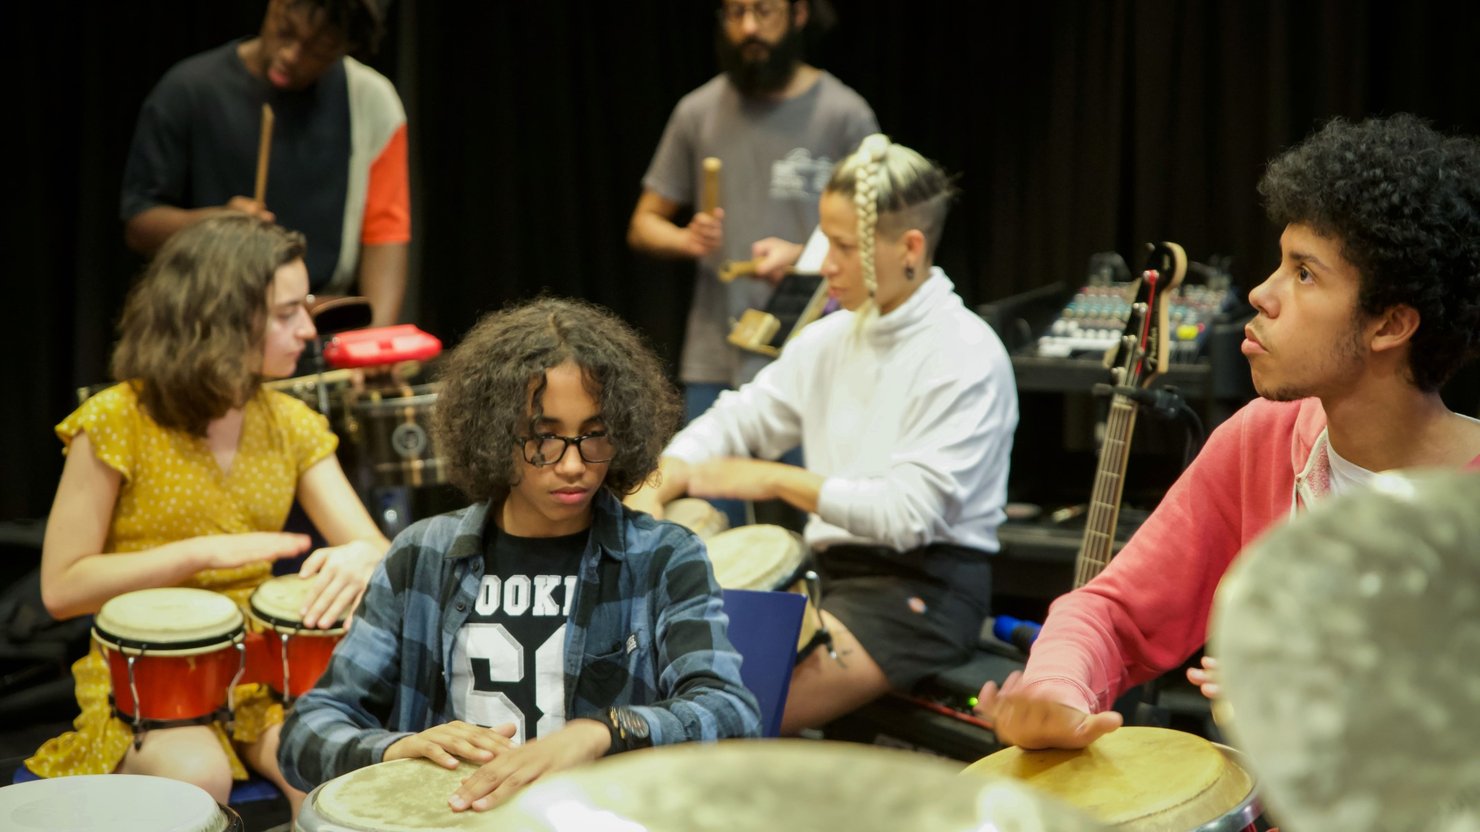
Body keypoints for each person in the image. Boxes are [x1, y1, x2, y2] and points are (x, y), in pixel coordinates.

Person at [977, 113, 1480, 751]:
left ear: (1389, 326)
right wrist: (1058, 688)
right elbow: (1110, 613)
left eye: (1305, 274)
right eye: (1280, 263)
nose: (1262, 294)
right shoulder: (1264, 440)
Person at [278, 298, 761, 812]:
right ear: (493, 435)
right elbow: (306, 734)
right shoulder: (422, 555)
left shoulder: (664, 556)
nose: (573, 465)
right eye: (543, 439)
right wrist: (395, 748)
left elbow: (731, 712)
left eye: (594, 436)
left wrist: (603, 732)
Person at [626, 134, 1019, 735]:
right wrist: (666, 474)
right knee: (655, 669)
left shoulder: (965, 353)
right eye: (821, 240)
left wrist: (772, 478)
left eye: (840, 245)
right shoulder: (830, 340)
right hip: (828, 573)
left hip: (921, 593)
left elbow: (908, 515)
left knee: (719, 716)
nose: (823, 264)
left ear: (910, 247)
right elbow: (740, 418)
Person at [25, 215, 391, 817]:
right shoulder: (118, 419)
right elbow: (61, 588)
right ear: (218, 317)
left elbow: (375, 547)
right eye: (285, 313)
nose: (308, 329)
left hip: (262, 668)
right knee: (197, 775)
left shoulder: (292, 423)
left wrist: (362, 555)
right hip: (151, 675)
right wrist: (199, 554)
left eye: (307, 308)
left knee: (326, 775)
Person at [628, 0, 878, 419]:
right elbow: (643, 223)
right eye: (734, 13)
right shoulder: (697, 112)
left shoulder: (844, 114)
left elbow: (877, 233)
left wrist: (802, 257)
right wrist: (685, 239)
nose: (748, 28)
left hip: (814, 353)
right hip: (715, 359)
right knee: (703, 481)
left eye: (764, 12)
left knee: (806, 485)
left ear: (799, 15)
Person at [120, 0, 410, 328]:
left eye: (319, 50)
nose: (291, 55)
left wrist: (376, 342)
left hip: (319, 328)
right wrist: (215, 225)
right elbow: (139, 224)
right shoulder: (187, 90)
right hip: (208, 327)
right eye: (285, 31)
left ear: (346, 46)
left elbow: (386, 231)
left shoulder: (371, 101)